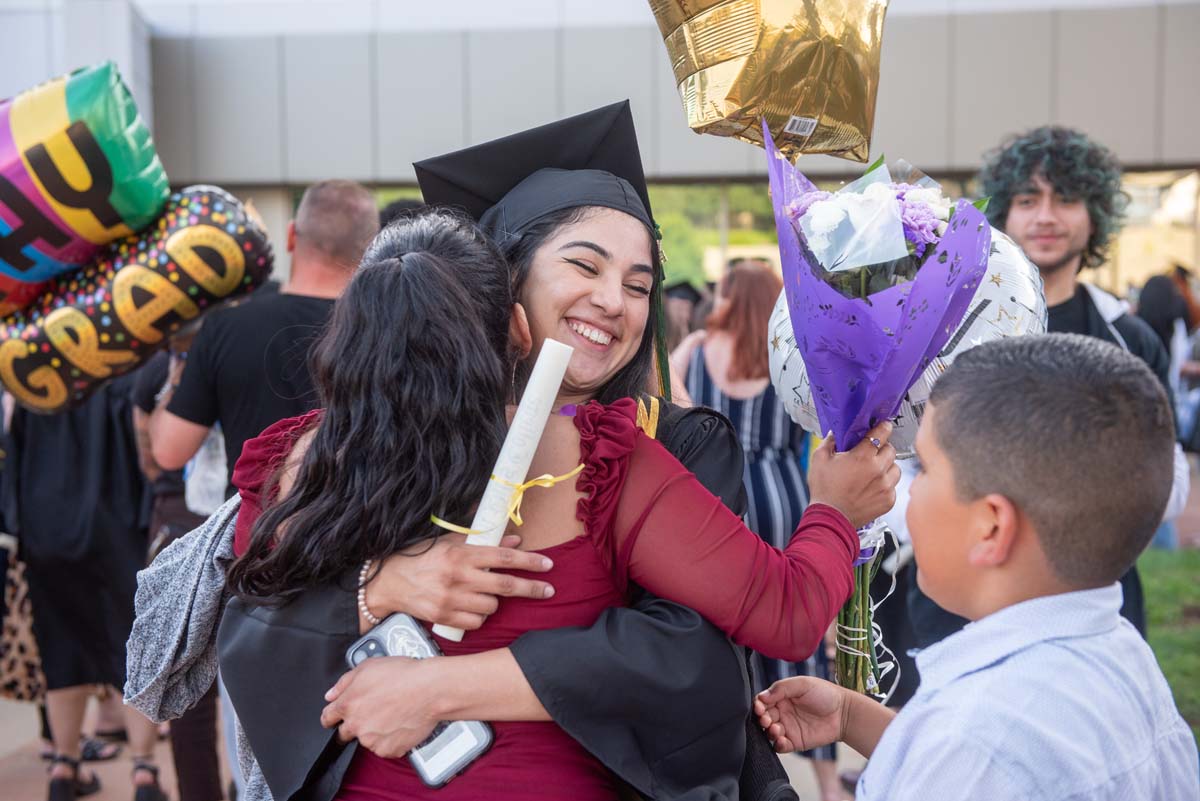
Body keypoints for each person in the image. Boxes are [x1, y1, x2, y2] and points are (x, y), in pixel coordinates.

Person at [220, 206, 898, 801]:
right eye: (586, 266)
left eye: (637, 285)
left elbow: (259, 628)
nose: (614, 301)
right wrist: (835, 509)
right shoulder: (596, 458)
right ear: (517, 324)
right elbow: (787, 611)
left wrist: (375, 595)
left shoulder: (295, 466)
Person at [756, 335, 1199, 801]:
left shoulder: (973, 741)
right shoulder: (1123, 655)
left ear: (991, 527)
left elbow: (973, 761)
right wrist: (851, 716)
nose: (905, 492)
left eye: (922, 469)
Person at [906, 126, 1189, 644]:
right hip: (955, 611)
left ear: (1095, 215)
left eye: (1066, 198)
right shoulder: (943, 329)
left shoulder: (1128, 338)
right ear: (1004, 215)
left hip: (1091, 614)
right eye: (1027, 198)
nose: (1045, 216)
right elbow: (906, 464)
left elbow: (1168, 482)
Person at [672, 263, 843, 800]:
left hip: (716, 498)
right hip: (783, 495)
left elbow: (666, 409)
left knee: (727, 623)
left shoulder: (696, 348)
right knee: (795, 621)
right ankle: (831, 783)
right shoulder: (791, 354)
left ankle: (743, 748)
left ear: (726, 295)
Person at [148, 179, 380, 495]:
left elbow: (168, 451)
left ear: (290, 236)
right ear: (371, 248)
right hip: (359, 531)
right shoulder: (385, 328)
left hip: (254, 531)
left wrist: (175, 376)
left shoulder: (226, 326)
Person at [5, 371, 166, 801]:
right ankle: (144, 772)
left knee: (61, 649)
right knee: (133, 651)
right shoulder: (125, 372)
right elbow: (146, 451)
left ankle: (63, 765)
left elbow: (14, 457)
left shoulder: (33, 380)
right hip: (119, 530)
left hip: (46, 530)